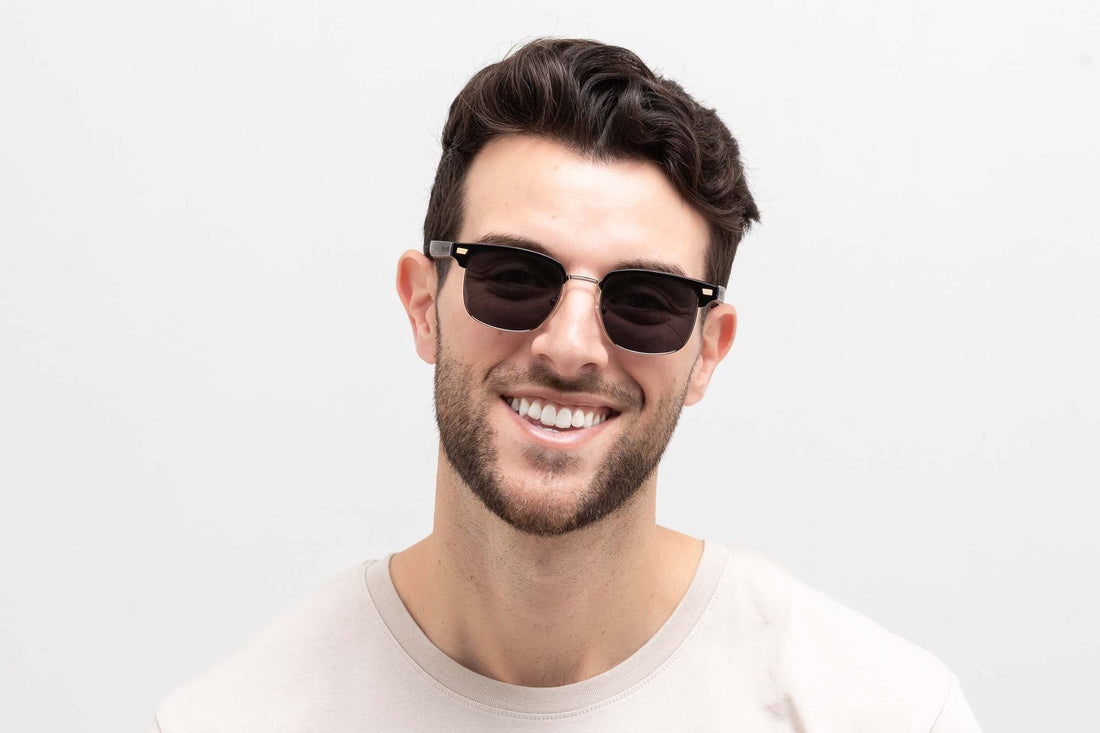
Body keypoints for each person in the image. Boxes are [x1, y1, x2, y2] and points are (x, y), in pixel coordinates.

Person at [151, 38, 982, 732]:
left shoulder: (882, 713)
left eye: (644, 301)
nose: (572, 345)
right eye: (514, 276)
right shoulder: (233, 719)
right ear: (421, 304)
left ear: (708, 353)